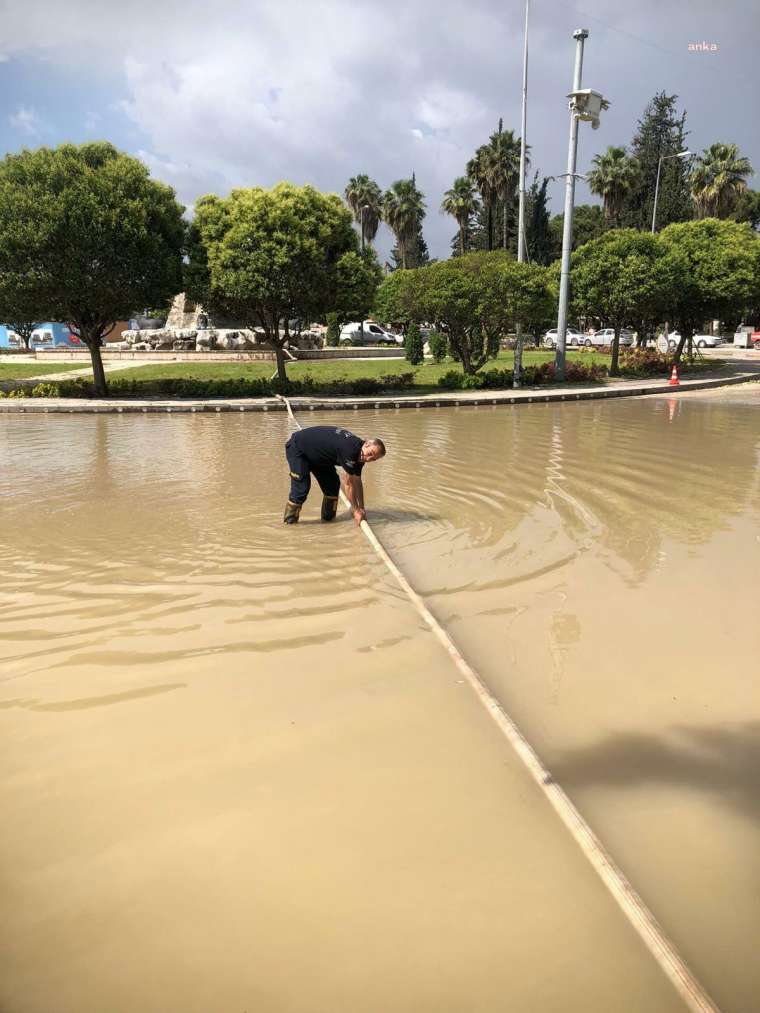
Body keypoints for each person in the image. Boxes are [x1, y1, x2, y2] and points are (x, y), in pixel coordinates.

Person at [284, 426, 386, 525]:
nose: (368, 459)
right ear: (367, 444)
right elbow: (349, 484)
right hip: (298, 449)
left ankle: (328, 523)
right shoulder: (351, 450)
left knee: (332, 486)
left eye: (373, 459)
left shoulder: (360, 456)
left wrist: (362, 508)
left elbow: (357, 482)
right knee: (301, 489)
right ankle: (290, 524)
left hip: (319, 456)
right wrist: (356, 510)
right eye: (370, 453)